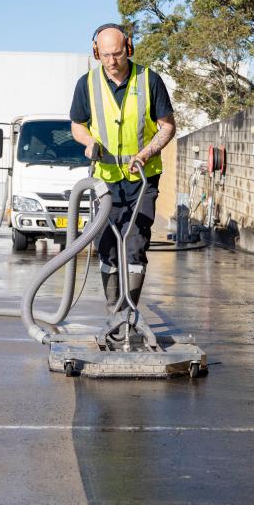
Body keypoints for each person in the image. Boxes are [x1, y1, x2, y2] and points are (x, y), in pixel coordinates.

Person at [70, 23, 176, 314]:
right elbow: (77, 126)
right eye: (105, 55)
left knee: (135, 242)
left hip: (141, 178)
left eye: (117, 54)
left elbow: (168, 126)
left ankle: (128, 313)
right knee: (106, 245)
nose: (112, 61)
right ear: (96, 53)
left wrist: (147, 152)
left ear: (128, 49)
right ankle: (113, 312)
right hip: (104, 179)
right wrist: (89, 142)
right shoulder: (87, 84)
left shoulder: (149, 80)